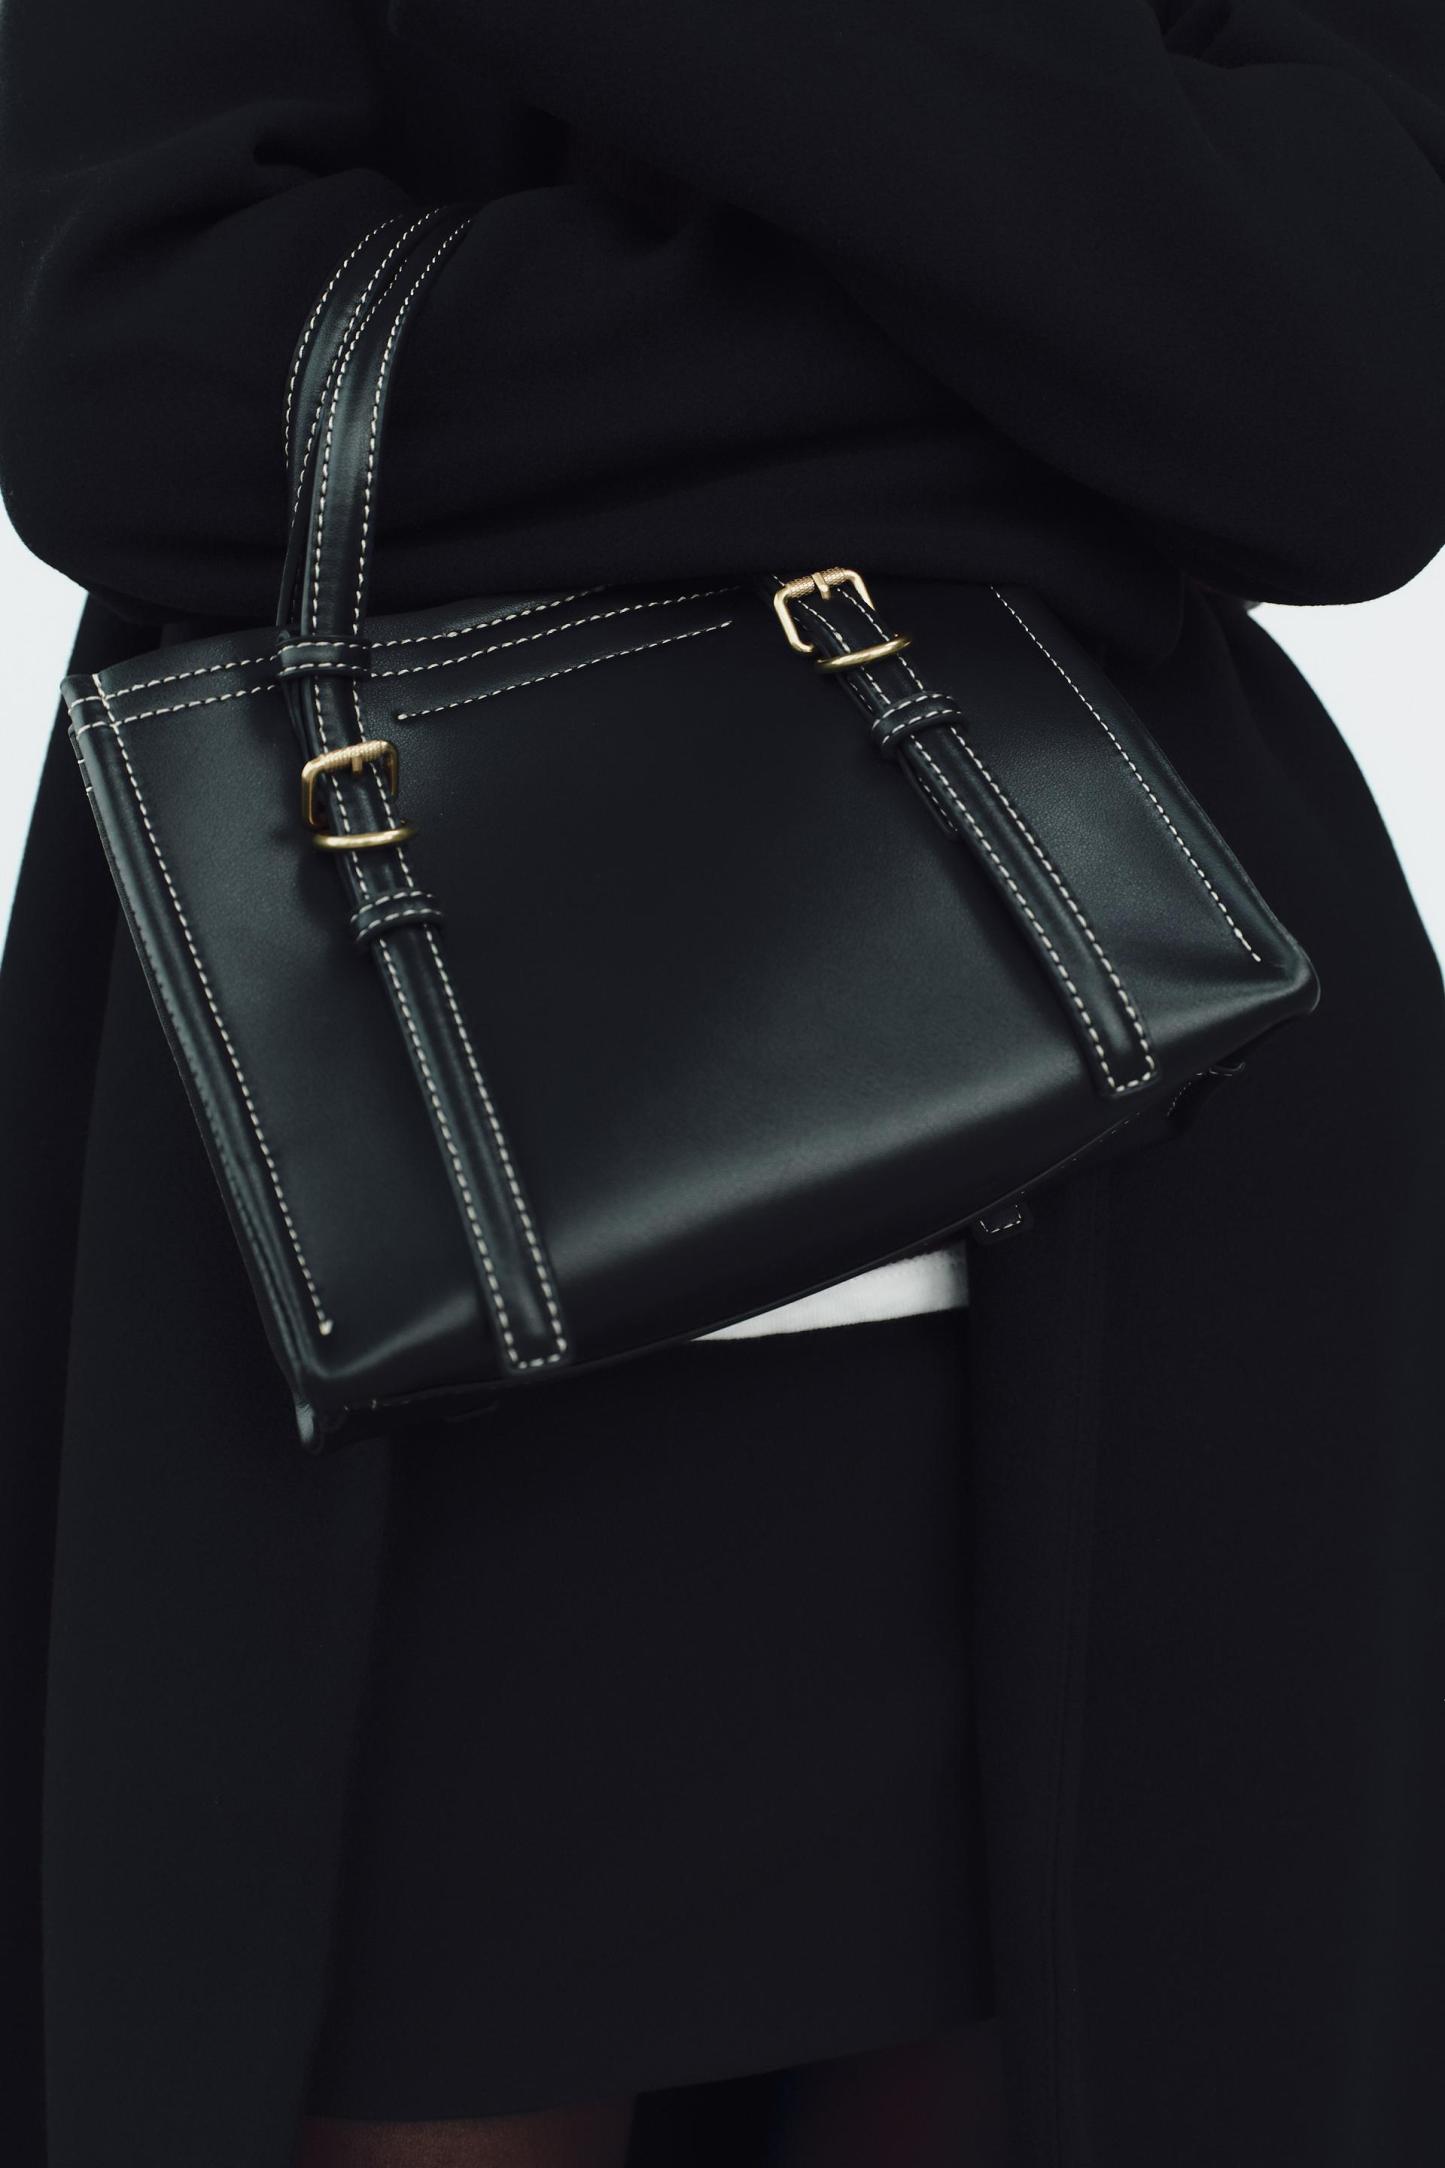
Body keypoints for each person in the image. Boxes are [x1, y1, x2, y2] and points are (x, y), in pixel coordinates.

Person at [1, 4, 1443, 2165]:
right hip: (406, 1261)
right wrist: (1047, 389)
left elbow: (1351, 385)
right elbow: (142, 387)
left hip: (1149, 1225)